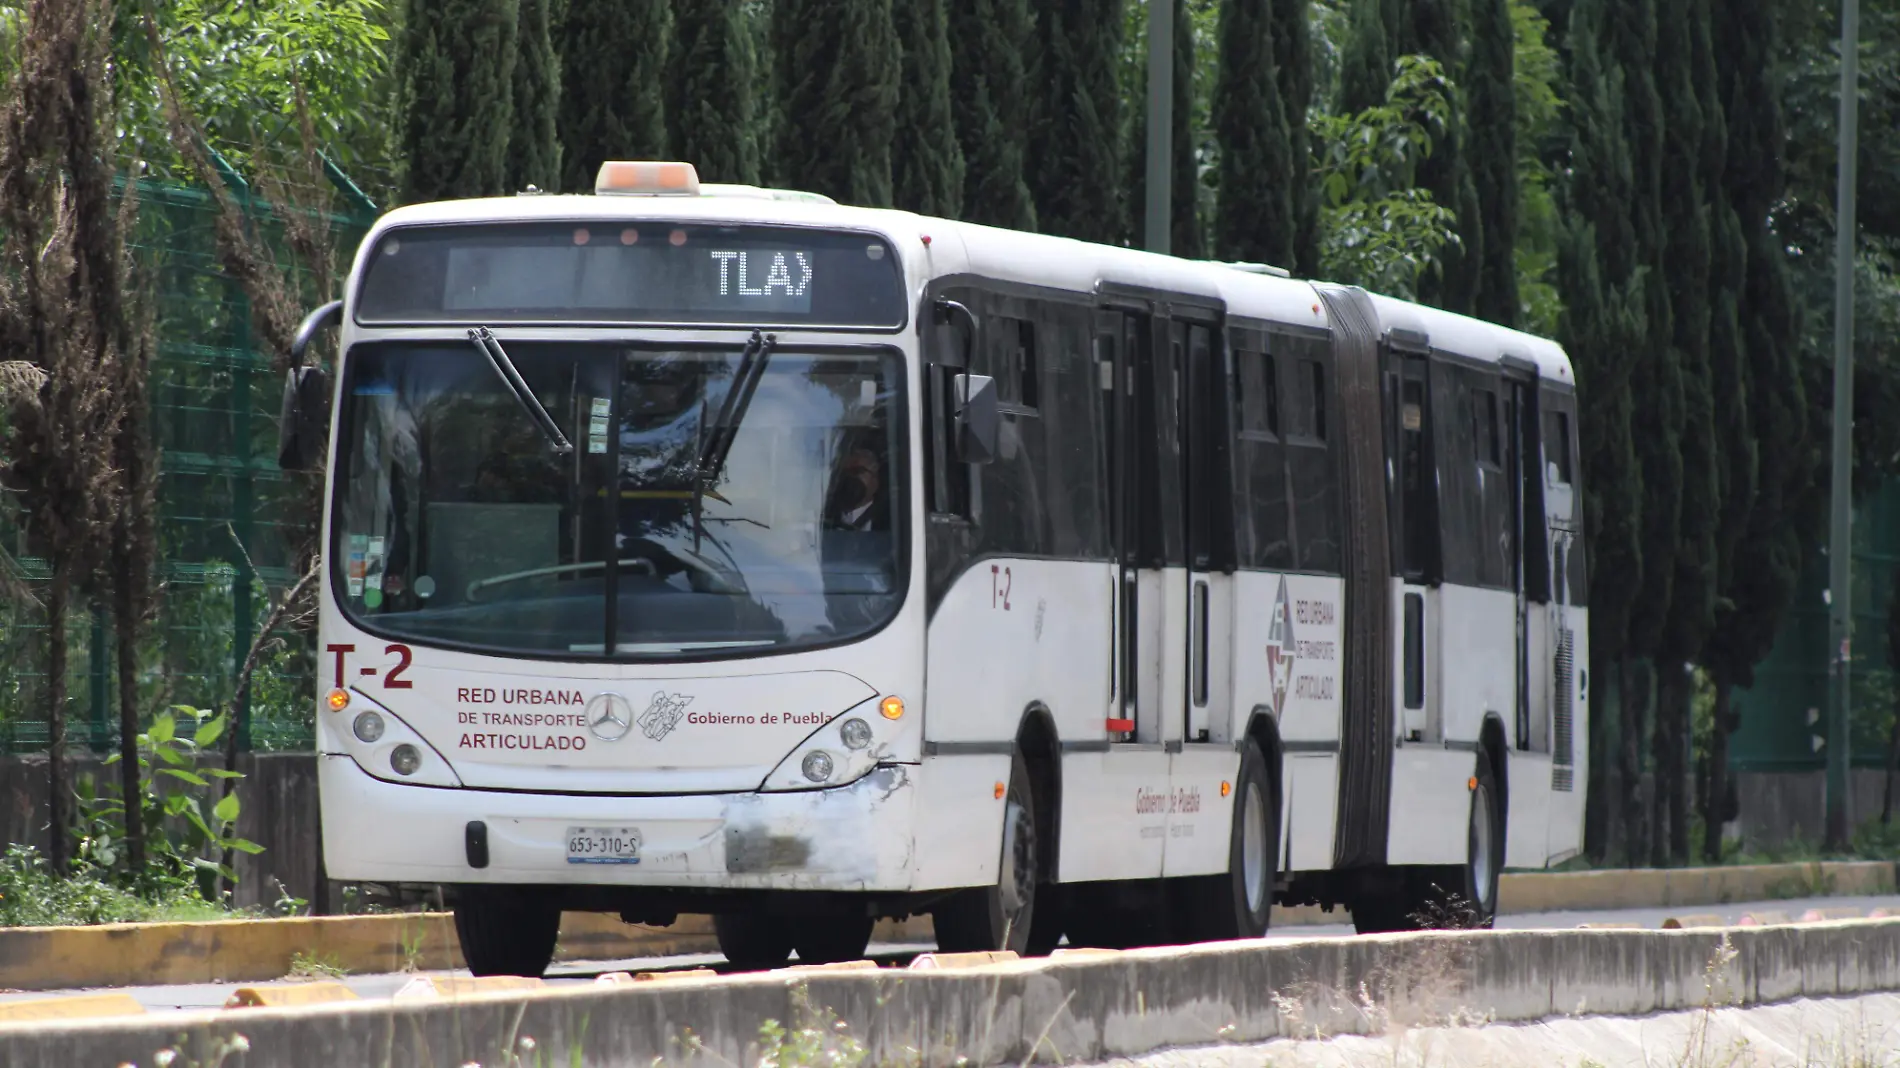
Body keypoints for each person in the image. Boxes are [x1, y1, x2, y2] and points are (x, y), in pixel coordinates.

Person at [825, 447, 886, 531]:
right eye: (844, 472)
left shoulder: (888, 521)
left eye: (857, 471)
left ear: (875, 479)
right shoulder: (825, 517)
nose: (850, 477)